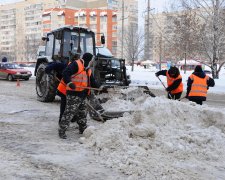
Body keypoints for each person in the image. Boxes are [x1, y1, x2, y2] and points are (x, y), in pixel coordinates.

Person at [58, 52, 100, 139]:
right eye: (92, 60)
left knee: (82, 113)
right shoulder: (76, 64)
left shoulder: (88, 69)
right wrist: (69, 83)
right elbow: (65, 73)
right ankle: (62, 130)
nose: (93, 62)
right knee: (69, 113)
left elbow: (92, 81)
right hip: (73, 94)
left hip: (82, 94)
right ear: (88, 60)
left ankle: (82, 129)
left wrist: (100, 87)